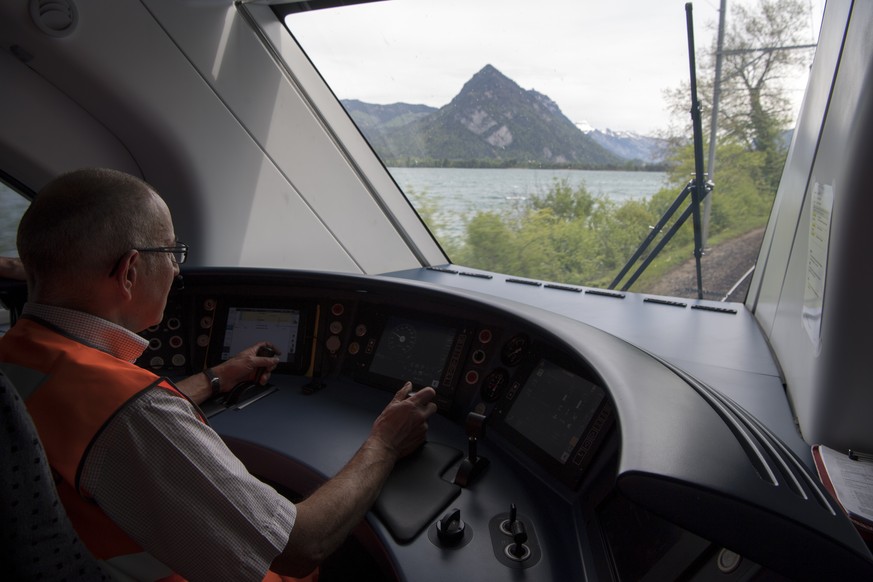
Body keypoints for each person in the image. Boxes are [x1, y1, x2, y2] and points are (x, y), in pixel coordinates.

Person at [0, 168, 438, 581]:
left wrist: (218, 377)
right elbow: (302, 545)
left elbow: (99, 421)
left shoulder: (17, 358)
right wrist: (385, 442)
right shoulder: (135, 414)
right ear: (130, 271)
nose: (176, 268)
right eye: (171, 252)